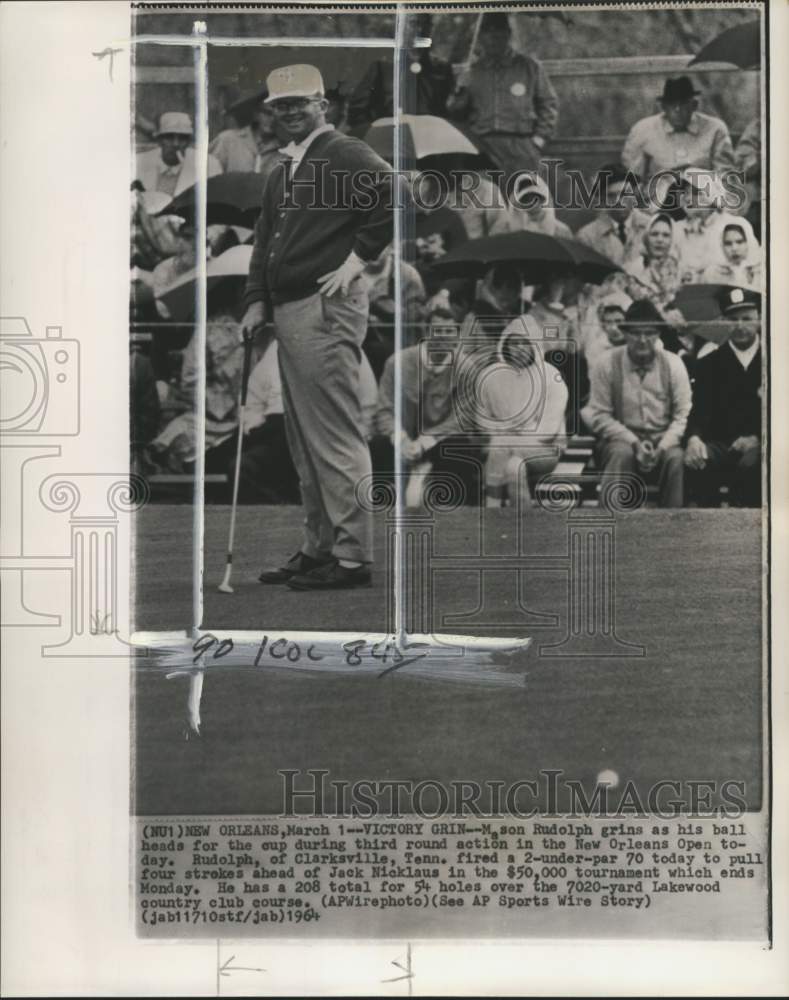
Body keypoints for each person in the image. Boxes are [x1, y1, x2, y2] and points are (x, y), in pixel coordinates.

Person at [242, 64, 402, 590]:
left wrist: (359, 258)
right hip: (290, 307)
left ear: (322, 106)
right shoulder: (282, 169)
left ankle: (352, 556)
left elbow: (392, 194)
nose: (290, 112)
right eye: (281, 105)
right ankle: (320, 546)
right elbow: (265, 242)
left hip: (326, 302)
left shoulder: (342, 151)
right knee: (303, 435)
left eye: (300, 103)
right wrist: (256, 301)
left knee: (333, 433)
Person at [581, 299, 692, 508]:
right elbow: (599, 414)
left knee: (676, 459)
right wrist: (633, 442)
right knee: (621, 454)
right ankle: (612, 523)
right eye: (635, 333)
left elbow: (683, 414)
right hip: (621, 439)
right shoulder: (606, 364)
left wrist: (663, 446)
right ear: (625, 333)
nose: (642, 340)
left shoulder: (674, 364)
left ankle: (673, 528)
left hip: (664, 440)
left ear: (658, 334)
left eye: (649, 333)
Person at [240, 339, 378, 503]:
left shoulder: (348, 348)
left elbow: (368, 406)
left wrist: (353, 438)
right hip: (278, 432)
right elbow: (253, 399)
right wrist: (254, 426)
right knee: (242, 468)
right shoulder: (276, 349)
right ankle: (281, 508)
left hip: (329, 434)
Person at [370, 334, 482, 508]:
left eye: (448, 334)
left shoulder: (466, 368)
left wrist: (426, 441)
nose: (442, 339)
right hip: (401, 437)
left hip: (439, 438)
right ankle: (382, 508)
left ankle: (451, 510)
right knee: (377, 445)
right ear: (426, 333)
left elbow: (463, 417)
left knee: (460, 448)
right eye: (437, 332)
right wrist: (401, 439)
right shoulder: (397, 362)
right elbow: (384, 409)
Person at [447, 11, 559, 176]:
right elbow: (455, 112)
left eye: (498, 31)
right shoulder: (473, 71)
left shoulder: (529, 67)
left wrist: (539, 139)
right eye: (487, 32)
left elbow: (548, 104)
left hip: (520, 145)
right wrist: (460, 89)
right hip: (482, 145)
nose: (493, 37)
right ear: (480, 37)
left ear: (508, 34)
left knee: (523, 197)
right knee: (485, 198)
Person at [477, 319, 568, 507]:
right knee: (513, 467)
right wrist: (507, 431)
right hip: (502, 450)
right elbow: (482, 419)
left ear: (534, 345)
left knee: (500, 444)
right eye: (514, 343)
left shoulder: (551, 376)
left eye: (524, 343)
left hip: (545, 451)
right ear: (505, 344)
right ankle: (524, 521)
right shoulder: (490, 376)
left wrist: (508, 433)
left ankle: (490, 506)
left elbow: (548, 431)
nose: (518, 348)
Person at [684, 288, 761, 508]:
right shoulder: (709, 364)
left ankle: (749, 534)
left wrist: (758, 437)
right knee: (699, 461)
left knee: (752, 465)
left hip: (761, 444)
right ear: (724, 322)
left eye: (746, 319)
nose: (739, 325)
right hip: (720, 444)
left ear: (759, 320)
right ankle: (708, 532)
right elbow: (698, 411)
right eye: (732, 319)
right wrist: (694, 439)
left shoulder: (774, 361)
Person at [621, 77, 734, 186]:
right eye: (672, 104)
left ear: (694, 105)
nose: (677, 110)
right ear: (663, 107)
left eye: (683, 103)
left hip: (701, 197)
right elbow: (633, 178)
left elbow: (724, 175)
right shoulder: (643, 130)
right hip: (658, 198)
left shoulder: (715, 129)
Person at [347, 14, 454, 127]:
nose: (420, 30)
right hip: (388, 137)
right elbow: (357, 111)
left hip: (427, 138)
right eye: (414, 23)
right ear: (401, 27)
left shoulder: (442, 69)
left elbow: (448, 113)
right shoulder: (382, 65)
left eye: (425, 24)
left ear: (431, 28)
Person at [359, 244, 426, 379]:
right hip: (356, 340)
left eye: (380, 245)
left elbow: (414, 319)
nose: (374, 251)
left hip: (395, 344)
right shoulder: (349, 273)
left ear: (390, 248)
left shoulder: (407, 274)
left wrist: (385, 308)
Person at [575, 164, 651, 266]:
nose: (618, 201)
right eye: (611, 195)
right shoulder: (587, 237)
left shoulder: (652, 227)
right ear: (602, 199)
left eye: (624, 194)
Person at [135, 111, 222, 198]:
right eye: (169, 137)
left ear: (189, 142)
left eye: (182, 138)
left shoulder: (209, 166)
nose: (176, 144)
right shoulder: (138, 163)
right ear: (159, 140)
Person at [209, 88, 282, 178]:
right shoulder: (228, 140)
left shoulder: (283, 149)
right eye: (267, 113)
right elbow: (207, 175)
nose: (272, 119)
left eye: (278, 115)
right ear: (256, 114)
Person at [624, 212, 682, 309]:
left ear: (672, 240)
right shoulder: (633, 270)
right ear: (646, 238)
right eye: (654, 234)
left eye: (666, 235)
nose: (660, 240)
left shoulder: (680, 270)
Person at [490, 172, 573, 238]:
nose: (532, 203)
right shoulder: (503, 230)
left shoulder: (561, 231)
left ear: (543, 199)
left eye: (536, 197)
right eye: (526, 199)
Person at [701, 219, 762, 291]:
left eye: (740, 242)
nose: (734, 248)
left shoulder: (760, 270)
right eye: (728, 244)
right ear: (721, 246)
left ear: (748, 243)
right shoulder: (711, 274)